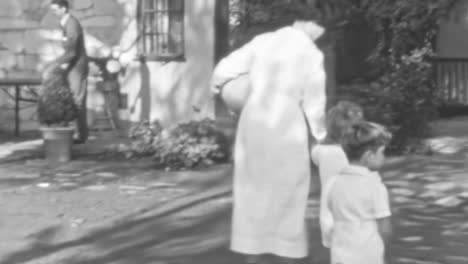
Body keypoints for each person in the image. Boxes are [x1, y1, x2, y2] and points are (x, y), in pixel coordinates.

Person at [211, 19, 327, 263]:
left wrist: (220, 91)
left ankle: (251, 253)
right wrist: (320, 136)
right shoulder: (311, 53)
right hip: (287, 122)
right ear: (312, 29)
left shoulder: (264, 41)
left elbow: (224, 69)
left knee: (251, 189)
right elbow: (315, 103)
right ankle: (288, 252)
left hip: (254, 117)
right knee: (290, 190)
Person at [322, 121, 393, 264]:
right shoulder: (375, 186)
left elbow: (329, 218)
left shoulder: (333, 183)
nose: (384, 157)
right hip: (368, 254)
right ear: (368, 156)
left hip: (340, 254)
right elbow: (385, 227)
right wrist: (382, 244)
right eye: (382, 152)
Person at [311, 100, 363, 248]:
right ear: (347, 131)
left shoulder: (324, 151)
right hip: (343, 218)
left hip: (332, 217)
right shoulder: (338, 155)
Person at [49, 0, 89, 143]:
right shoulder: (65, 24)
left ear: (64, 9)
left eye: (55, 10)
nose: (53, 13)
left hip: (77, 67)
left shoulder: (72, 24)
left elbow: (71, 51)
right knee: (73, 99)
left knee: (77, 100)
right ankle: (78, 133)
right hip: (71, 66)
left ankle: (80, 135)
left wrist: (55, 64)